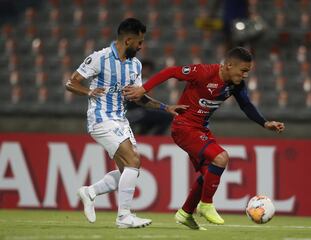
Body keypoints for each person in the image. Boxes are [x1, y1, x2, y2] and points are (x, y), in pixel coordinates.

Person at [123, 47, 285, 230]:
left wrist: (264, 123)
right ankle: (206, 204)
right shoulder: (203, 72)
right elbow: (170, 72)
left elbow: (246, 105)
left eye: (248, 71)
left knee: (209, 173)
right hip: (184, 127)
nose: (246, 75)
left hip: (200, 129)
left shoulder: (235, 84)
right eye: (244, 70)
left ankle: (185, 212)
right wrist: (143, 89)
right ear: (229, 65)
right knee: (221, 157)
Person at [65, 18, 187, 228]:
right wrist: (89, 91)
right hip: (101, 118)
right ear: (128, 40)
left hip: (121, 120)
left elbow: (139, 97)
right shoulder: (99, 58)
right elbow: (71, 82)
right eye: (139, 42)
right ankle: (124, 217)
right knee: (133, 161)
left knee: (128, 171)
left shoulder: (135, 65)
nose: (141, 46)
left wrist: (166, 108)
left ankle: (90, 192)